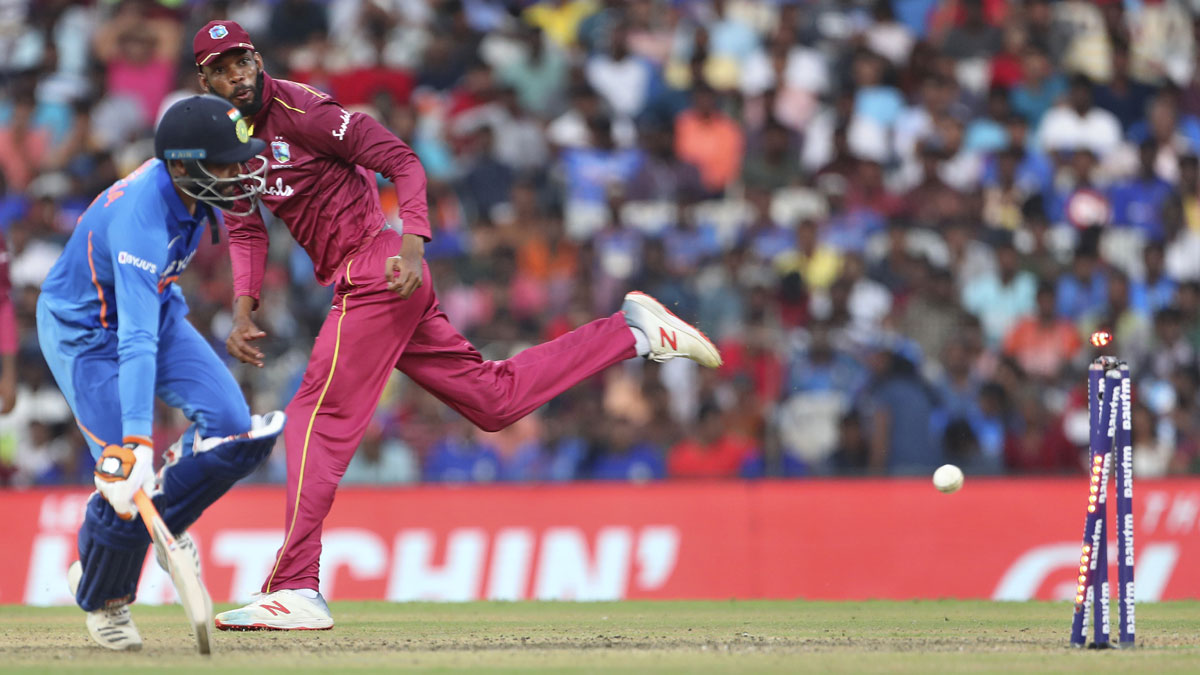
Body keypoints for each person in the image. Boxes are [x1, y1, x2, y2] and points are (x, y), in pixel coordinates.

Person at [192, 20, 721, 631]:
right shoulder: (230, 138)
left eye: (242, 60)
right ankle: (632, 332)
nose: (237, 75)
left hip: (379, 267)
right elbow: (245, 227)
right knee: (493, 400)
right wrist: (243, 308)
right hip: (373, 278)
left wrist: (413, 240)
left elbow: (401, 160)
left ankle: (294, 587)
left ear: (258, 58)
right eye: (222, 68)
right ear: (205, 81)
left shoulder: (305, 111)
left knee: (315, 417)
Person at [35, 95, 285, 650]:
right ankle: (105, 600)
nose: (238, 173)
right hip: (86, 335)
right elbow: (135, 341)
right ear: (184, 166)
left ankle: (162, 511)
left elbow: (148, 322)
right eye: (225, 164)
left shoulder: (190, 189)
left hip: (155, 309)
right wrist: (138, 443)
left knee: (233, 426)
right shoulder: (140, 220)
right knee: (126, 478)